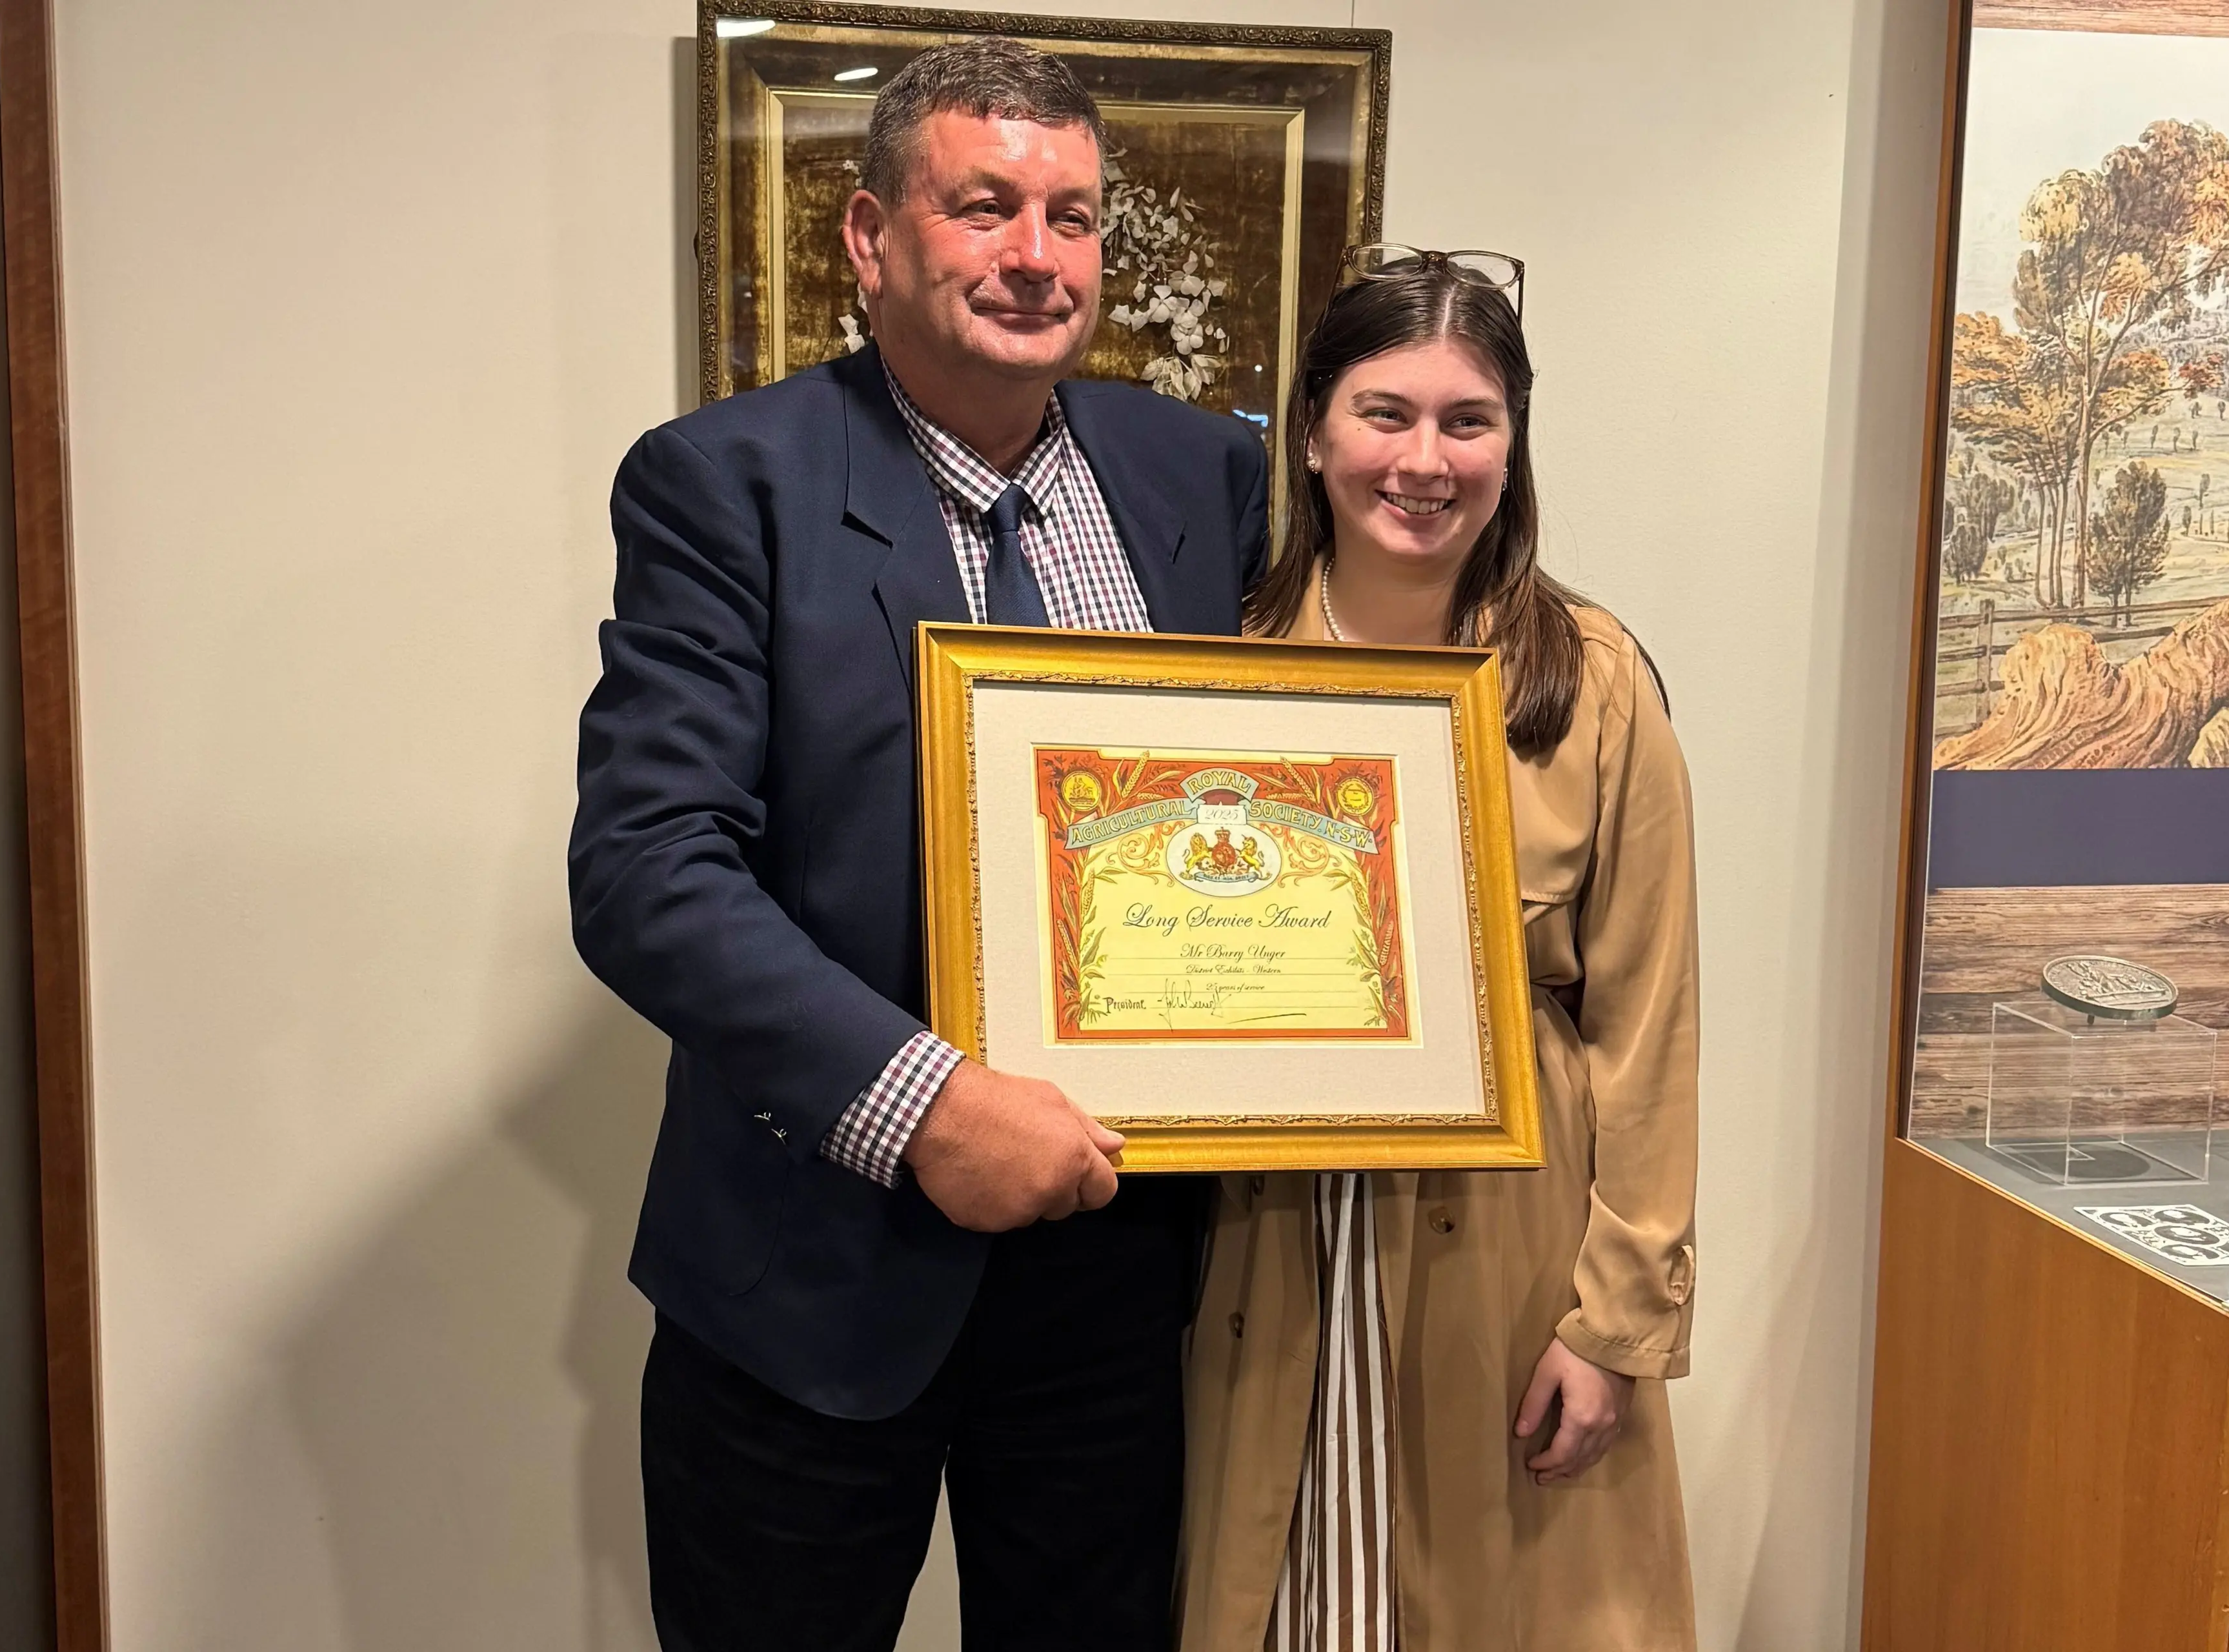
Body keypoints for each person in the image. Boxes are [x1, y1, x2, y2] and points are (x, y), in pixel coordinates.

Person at [567, 37, 1268, 1652]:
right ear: (870, 239)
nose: (1036, 255)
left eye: (1073, 217)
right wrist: (927, 1104)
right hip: (815, 1277)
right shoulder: (723, 484)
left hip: (1116, 1279)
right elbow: (648, 867)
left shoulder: (1201, 473)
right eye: (985, 207)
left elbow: (1269, 778)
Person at [1178, 252, 1701, 1651]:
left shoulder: (1593, 681)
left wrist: (1615, 1321)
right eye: (1383, 412)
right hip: (1263, 1241)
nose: (1424, 459)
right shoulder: (1215, 669)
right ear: (1310, 431)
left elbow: (1649, 1024)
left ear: (1514, 444)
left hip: (1512, 1251)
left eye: (1467, 419)